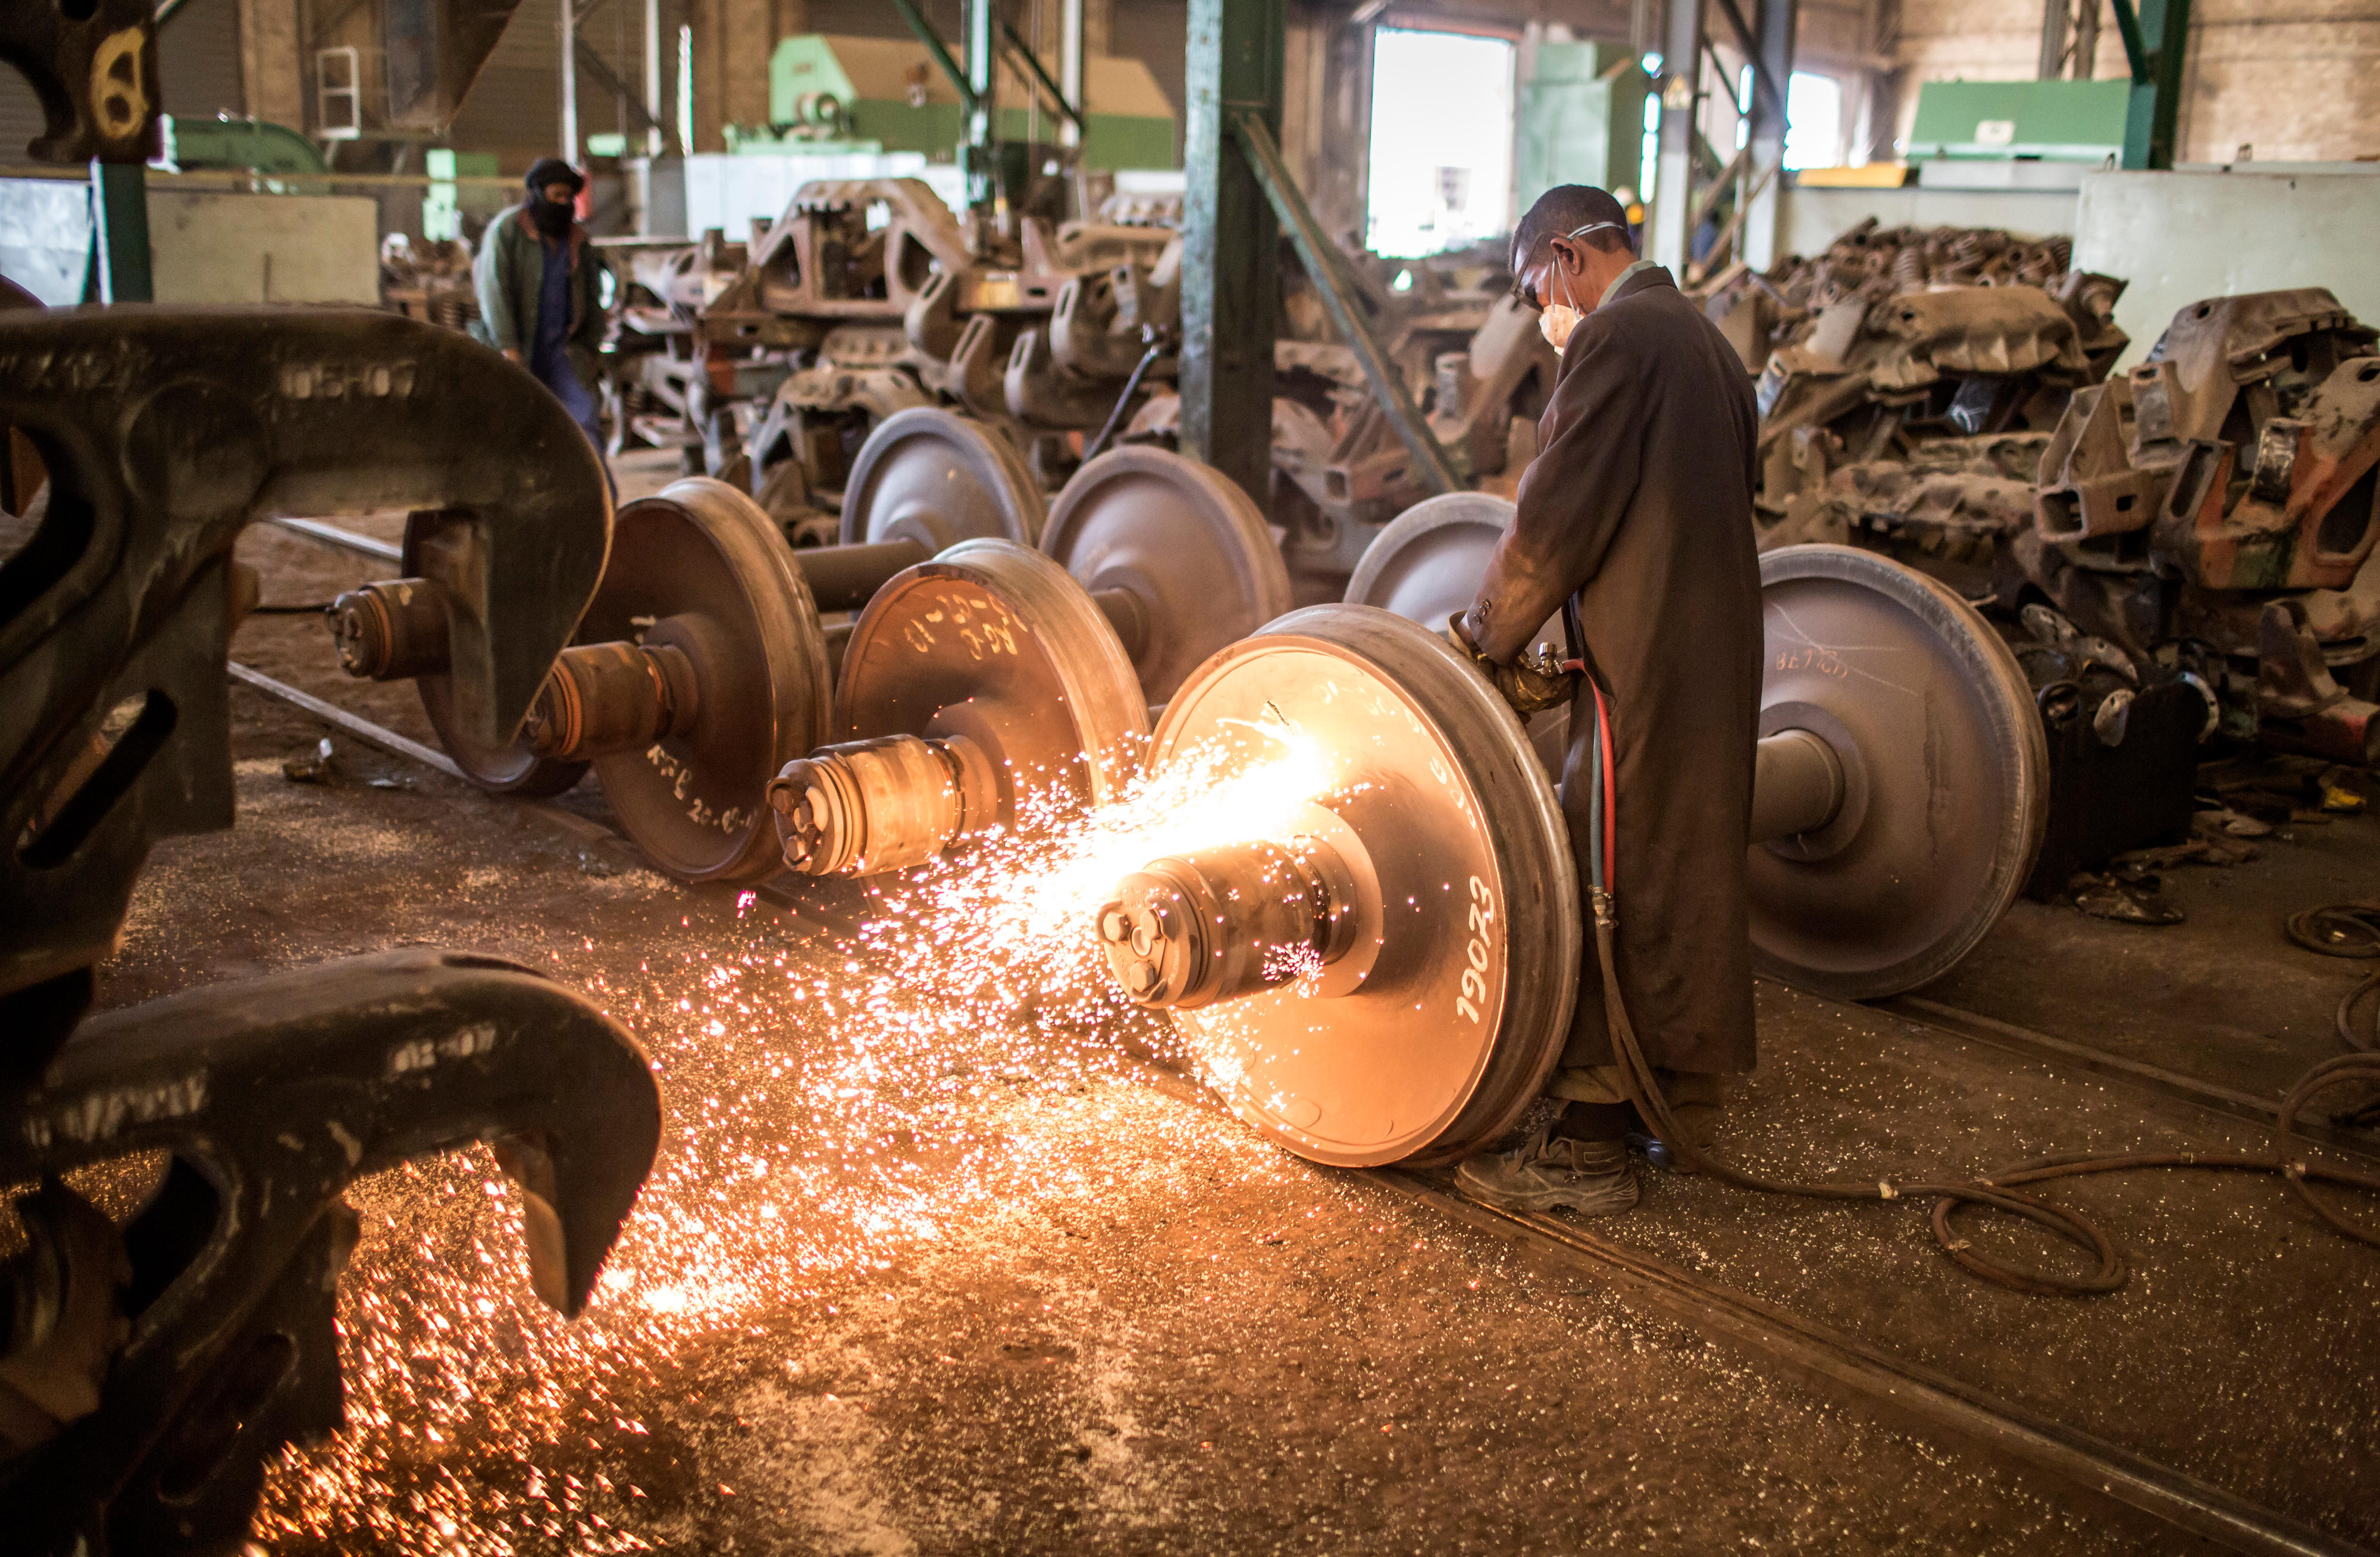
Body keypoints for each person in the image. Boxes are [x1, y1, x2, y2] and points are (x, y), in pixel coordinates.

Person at [1449, 185, 1762, 1217]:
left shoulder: (1618, 342)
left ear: (1572, 256)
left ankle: (1587, 1146)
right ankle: (1678, 1098)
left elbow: (1557, 513)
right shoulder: (1707, 344)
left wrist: (1484, 635)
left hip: (1649, 657)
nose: (1539, 307)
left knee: (1610, 870)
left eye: (1534, 283)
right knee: (1690, 863)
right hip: (1713, 652)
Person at [474, 158, 610, 469]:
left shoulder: (578, 241)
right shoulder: (506, 232)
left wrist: (592, 351)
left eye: (568, 197)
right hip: (517, 352)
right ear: (537, 193)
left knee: (585, 422)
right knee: (515, 432)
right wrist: (508, 348)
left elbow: (593, 297)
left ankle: (600, 507)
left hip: (563, 354)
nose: (563, 203)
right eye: (556, 196)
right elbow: (494, 294)